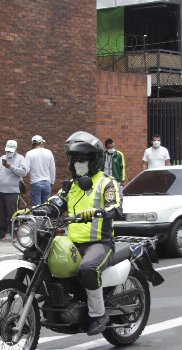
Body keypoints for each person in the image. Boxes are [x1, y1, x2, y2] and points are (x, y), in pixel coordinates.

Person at [42, 131, 122, 336]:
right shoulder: (72, 185)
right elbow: (56, 204)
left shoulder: (107, 183)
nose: (78, 163)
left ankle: (98, 314)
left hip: (99, 243)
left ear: (93, 160)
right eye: (75, 159)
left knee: (87, 268)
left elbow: (116, 208)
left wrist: (97, 211)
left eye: (82, 159)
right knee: (45, 259)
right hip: (72, 242)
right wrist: (36, 211)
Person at [0, 139, 29, 241]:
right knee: (0, 213)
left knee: (13, 214)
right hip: (0, 190)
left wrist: (11, 167)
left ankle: (15, 234)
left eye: (11, 151)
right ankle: (1, 234)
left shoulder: (20, 159)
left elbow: (23, 173)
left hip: (13, 191)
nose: (9, 153)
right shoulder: (1, 158)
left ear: (15, 149)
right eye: (7, 151)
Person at [24, 134, 56, 207]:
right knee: (46, 207)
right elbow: (52, 168)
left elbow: (26, 170)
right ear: (41, 143)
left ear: (33, 144)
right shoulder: (48, 152)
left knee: (37, 208)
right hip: (47, 182)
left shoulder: (29, 154)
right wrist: (52, 182)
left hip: (35, 182)